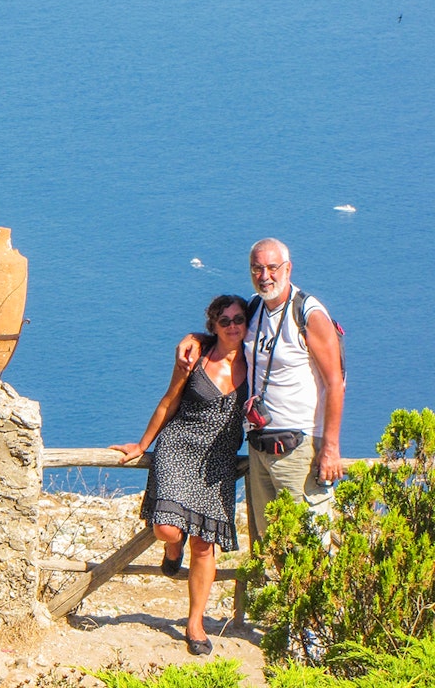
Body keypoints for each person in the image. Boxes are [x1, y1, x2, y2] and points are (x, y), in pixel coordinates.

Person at [177, 238, 345, 546]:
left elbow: (336, 382)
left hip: (300, 447)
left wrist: (330, 449)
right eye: (257, 268)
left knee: (309, 543)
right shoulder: (253, 309)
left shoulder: (309, 314)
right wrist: (196, 338)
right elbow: (227, 333)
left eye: (272, 267)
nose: (265, 276)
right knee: (269, 544)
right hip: (260, 446)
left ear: (288, 268)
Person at [111, 294, 250, 656]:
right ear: (213, 327)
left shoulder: (257, 363)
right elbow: (169, 401)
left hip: (218, 462)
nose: (233, 326)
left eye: (239, 319)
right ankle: (173, 549)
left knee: (205, 547)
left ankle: (195, 624)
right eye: (225, 321)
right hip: (178, 447)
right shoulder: (196, 358)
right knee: (167, 527)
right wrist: (143, 445)